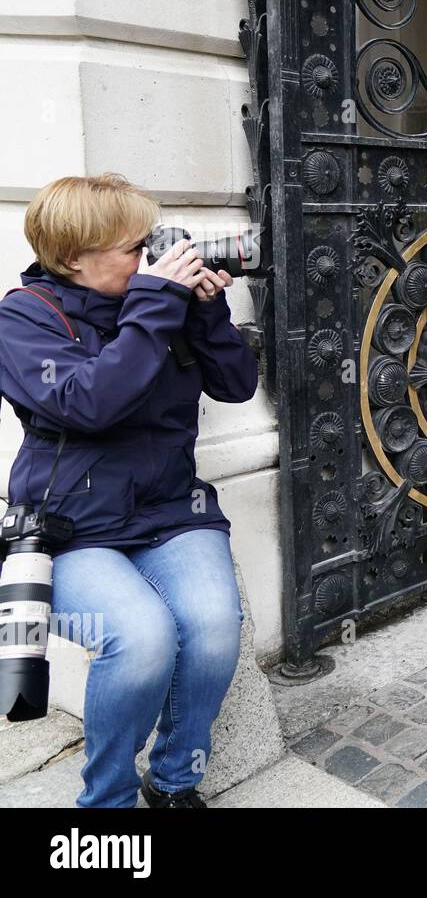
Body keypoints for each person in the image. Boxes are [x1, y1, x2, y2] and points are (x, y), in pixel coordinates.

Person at [0, 173, 259, 806]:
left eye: (152, 243)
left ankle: (173, 781)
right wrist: (156, 301)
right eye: (133, 248)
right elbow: (91, 404)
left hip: (171, 511)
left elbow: (235, 386)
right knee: (140, 638)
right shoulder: (23, 317)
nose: (152, 256)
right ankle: (107, 803)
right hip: (71, 526)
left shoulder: (159, 302)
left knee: (214, 625)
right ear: (73, 259)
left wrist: (205, 311)